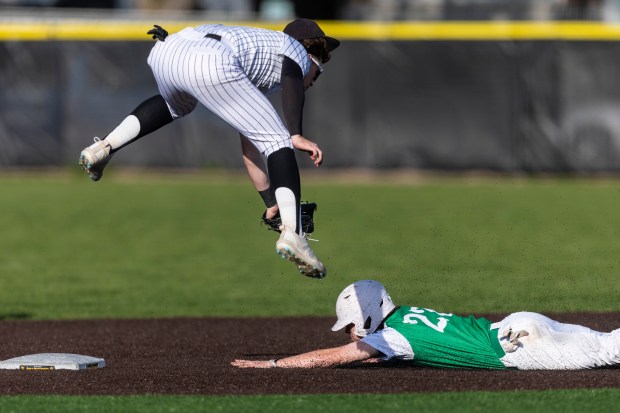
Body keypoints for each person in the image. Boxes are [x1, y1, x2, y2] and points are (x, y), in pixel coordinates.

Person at [78, 19, 340, 279]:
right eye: (319, 69)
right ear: (310, 56)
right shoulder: (293, 49)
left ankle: (104, 148)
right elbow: (293, 76)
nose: (316, 76)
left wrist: (271, 202)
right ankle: (294, 235)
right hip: (209, 58)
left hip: (169, 51)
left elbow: (250, 145)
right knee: (280, 141)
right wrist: (295, 134)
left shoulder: (260, 62)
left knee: (178, 106)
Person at [231, 280, 620, 369]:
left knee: (607, 352)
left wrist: (273, 364)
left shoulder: (392, 336)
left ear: (367, 316)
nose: (351, 331)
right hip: (517, 324)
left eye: (350, 324)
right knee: (606, 342)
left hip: (520, 348)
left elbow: (333, 357)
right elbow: (369, 356)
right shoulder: (405, 318)